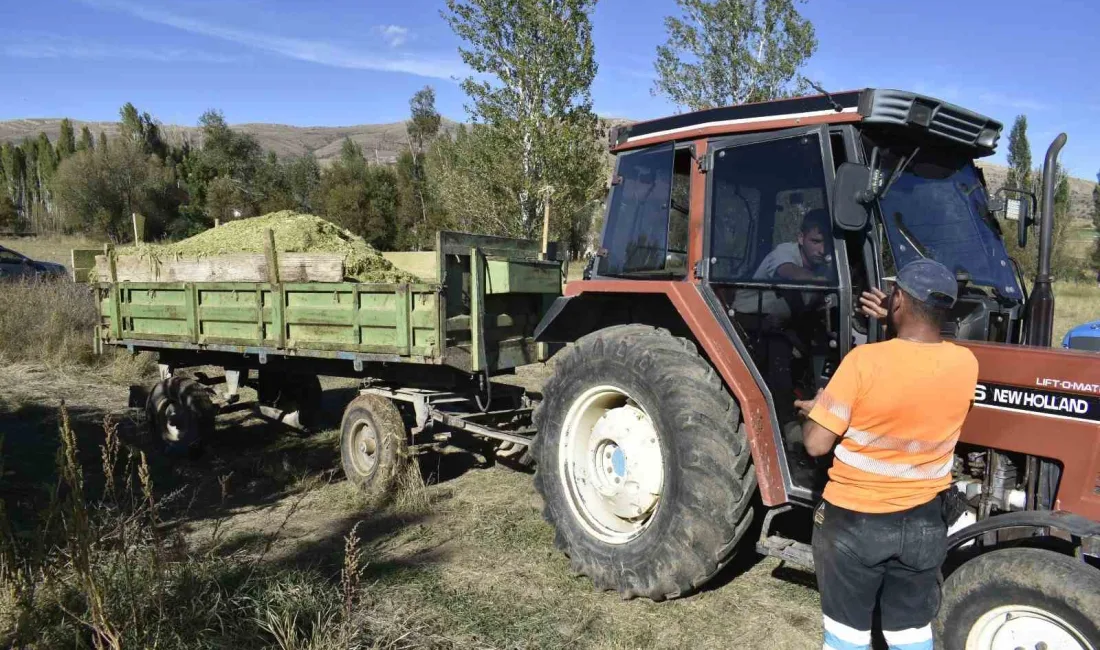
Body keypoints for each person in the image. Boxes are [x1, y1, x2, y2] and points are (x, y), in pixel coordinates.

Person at [793, 259, 978, 650]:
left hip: (855, 524)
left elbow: (816, 444)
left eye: (894, 293)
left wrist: (821, 408)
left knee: (847, 638)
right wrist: (896, 316)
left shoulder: (863, 362)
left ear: (899, 302)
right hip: (925, 523)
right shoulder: (966, 363)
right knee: (910, 634)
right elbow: (913, 386)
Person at [732, 209, 834, 432]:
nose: (822, 249)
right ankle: (788, 425)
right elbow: (789, 272)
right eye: (815, 241)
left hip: (784, 323)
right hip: (748, 319)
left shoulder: (823, 267)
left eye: (826, 243)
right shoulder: (785, 253)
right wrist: (824, 280)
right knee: (779, 350)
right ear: (800, 238)